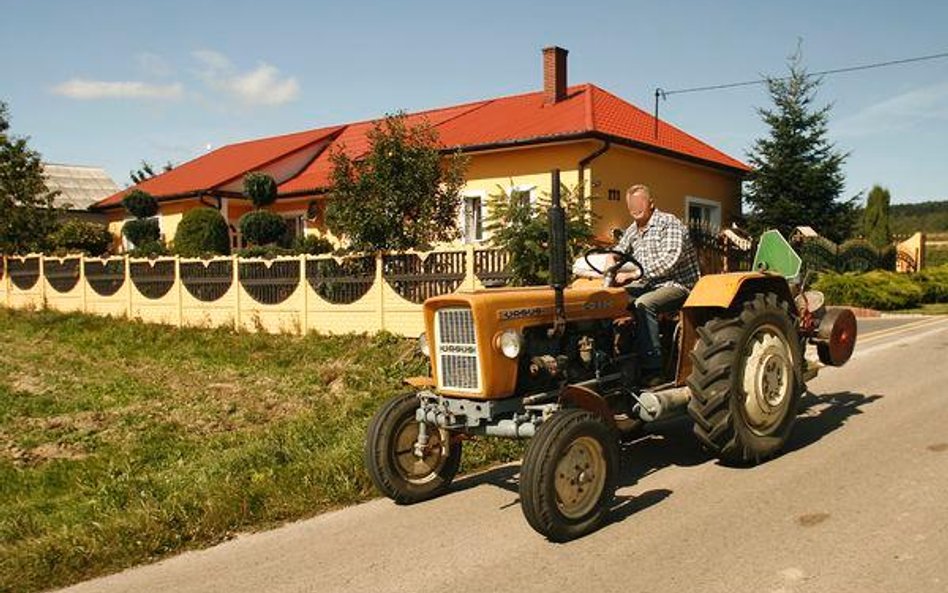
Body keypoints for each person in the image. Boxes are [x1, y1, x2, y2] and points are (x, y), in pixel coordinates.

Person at [611, 184, 701, 383]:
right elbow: (619, 252)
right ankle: (614, 358)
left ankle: (653, 368)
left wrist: (633, 274)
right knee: (611, 300)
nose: (635, 207)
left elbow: (668, 261)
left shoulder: (668, 223)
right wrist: (610, 260)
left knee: (644, 304)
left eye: (639, 202)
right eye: (631, 204)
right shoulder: (633, 230)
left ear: (651, 203)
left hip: (678, 284)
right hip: (648, 283)